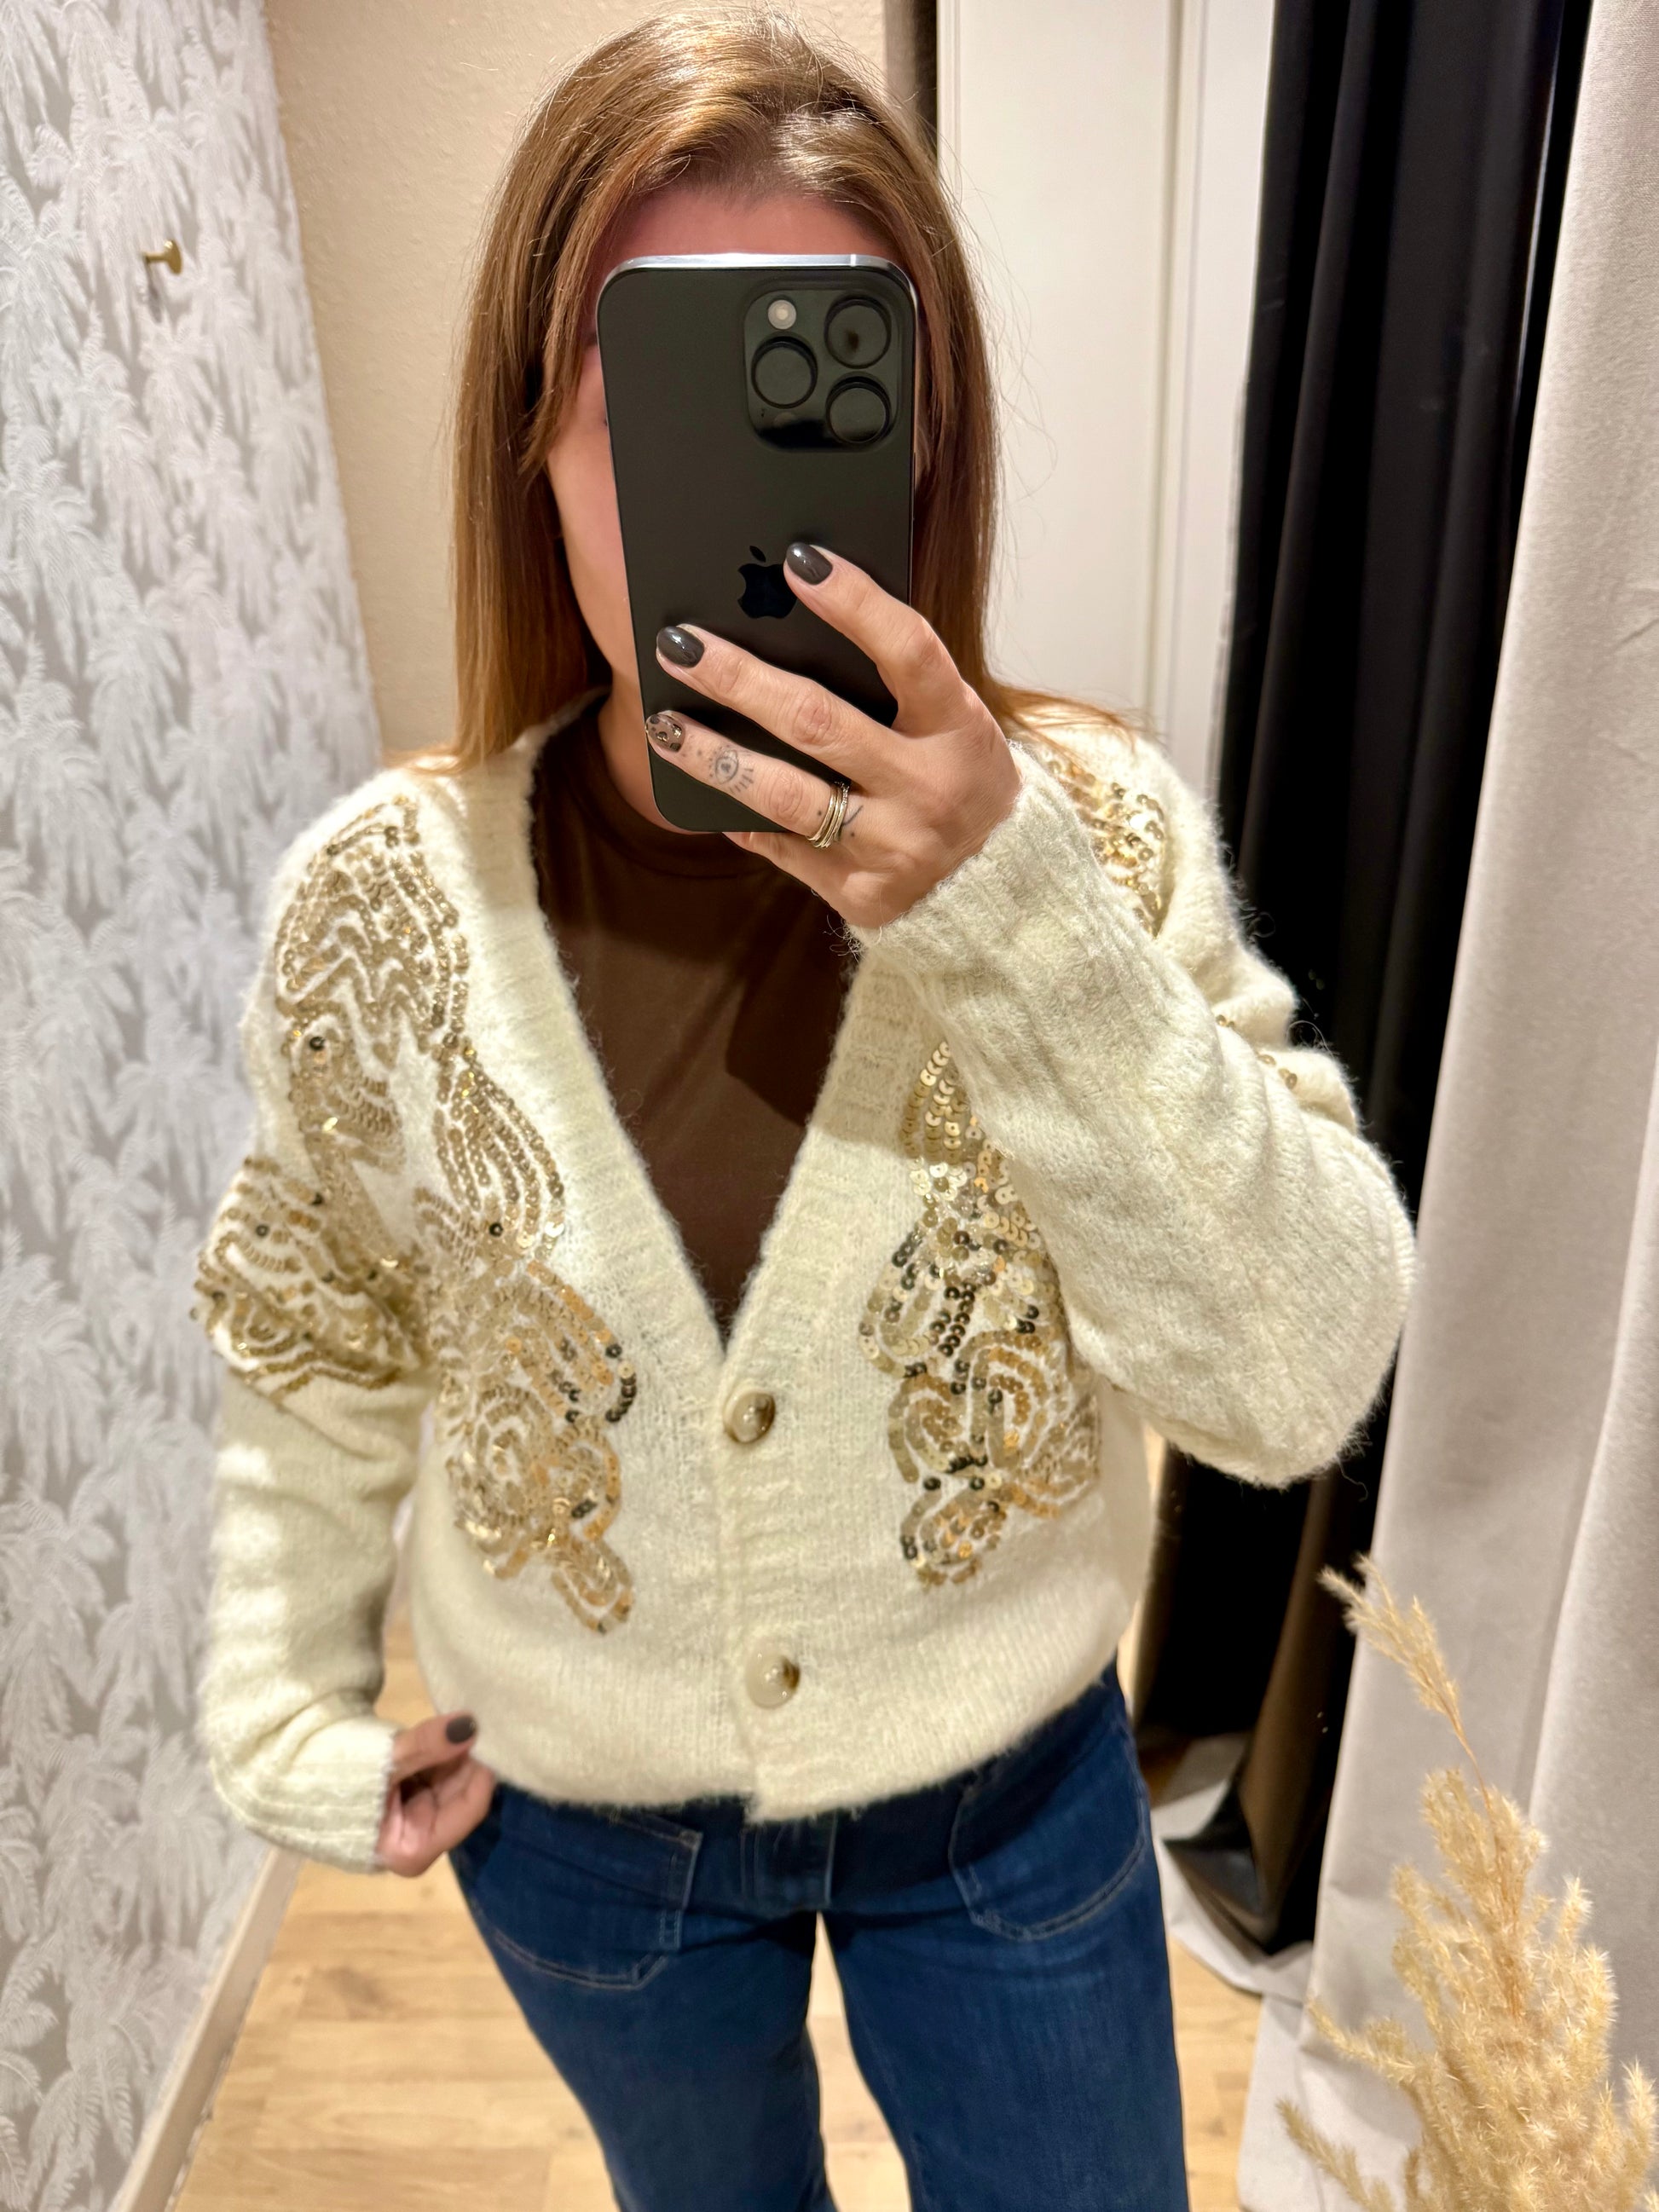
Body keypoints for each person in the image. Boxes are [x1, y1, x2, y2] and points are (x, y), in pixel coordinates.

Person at [190, 13, 1416, 2209]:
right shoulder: (383, 909)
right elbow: (321, 1322)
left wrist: (1012, 913)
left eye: (815, 401)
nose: (728, 495)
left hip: (1009, 1801)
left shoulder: (1093, 839)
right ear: (536, 448)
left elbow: (1297, 1374)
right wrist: (281, 1696)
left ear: (920, 446)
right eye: (655, 402)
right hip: (584, 1821)